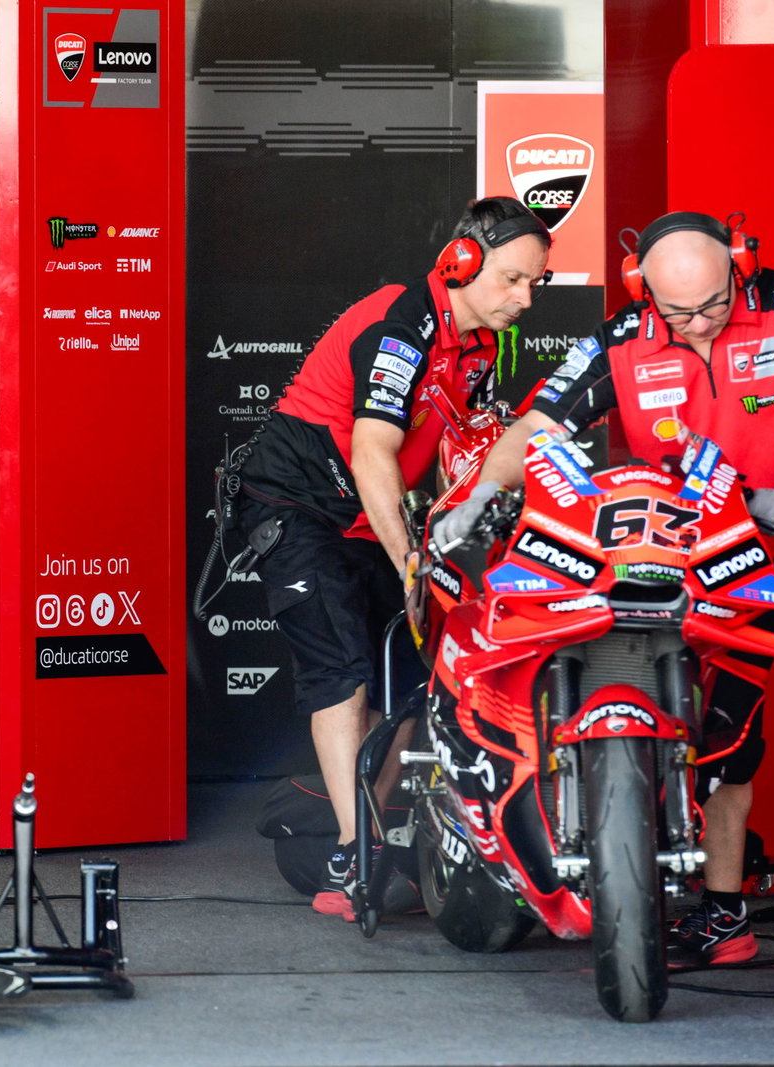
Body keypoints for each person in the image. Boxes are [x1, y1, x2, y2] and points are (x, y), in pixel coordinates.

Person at [435, 210, 774, 983]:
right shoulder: (620, 338)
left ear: (740, 268)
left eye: (714, 305)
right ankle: (723, 915)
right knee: (718, 741)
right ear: (643, 291)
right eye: (679, 311)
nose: (698, 324)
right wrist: (483, 487)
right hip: (706, 558)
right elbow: (538, 423)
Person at [232, 196, 552, 920]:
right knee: (342, 666)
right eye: (512, 279)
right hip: (300, 506)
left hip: (366, 518)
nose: (525, 298)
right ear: (463, 263)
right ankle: (353, 855)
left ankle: (369, 831)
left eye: (536, 282)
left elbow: (452, 455)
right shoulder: (401, 324)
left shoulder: (478, 347)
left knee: (424, 673)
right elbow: (372, 447)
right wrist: (410, 557)